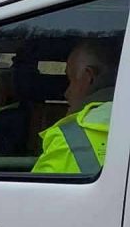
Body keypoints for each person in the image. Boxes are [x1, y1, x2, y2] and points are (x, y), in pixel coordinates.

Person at [32, 40, 117, 175]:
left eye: (70, 80)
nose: (66, 93)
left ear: (87, 77)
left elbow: (33, 194)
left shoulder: (67, 140)